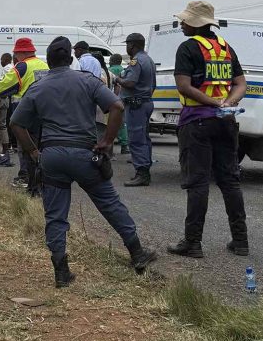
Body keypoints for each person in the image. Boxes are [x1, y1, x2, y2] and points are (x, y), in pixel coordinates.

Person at [10, 36, 157, 288]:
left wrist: (34, 153)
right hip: (84, 154)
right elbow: (118, 107)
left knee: (55, 216)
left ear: (49, 61)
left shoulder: (37, 88)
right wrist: (107, 141)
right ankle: (137, 253)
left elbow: (16, 123)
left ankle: (61, 271)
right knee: (109, 203)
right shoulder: (87, 81)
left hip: (52, 156)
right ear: (70, 59)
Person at [166, 0, 249, 258]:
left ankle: (192, 243)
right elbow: (240, 84)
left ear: (195, 23)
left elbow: (183, 86)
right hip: (226, 121)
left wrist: (212, 102)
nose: (181, 24)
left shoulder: (187, 48)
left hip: (197, 123)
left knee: (198, 183)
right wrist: (227, 103)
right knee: (230, 181)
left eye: (185, 20)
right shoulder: (225, 49)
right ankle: (241, 241)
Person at [0, 38, 49, 189]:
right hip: (45, 112)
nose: (15, 57)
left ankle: (27, 179)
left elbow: (1, 87)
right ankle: (40, 181)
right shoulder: (44, 65)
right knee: (40, 147)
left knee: (26, 147)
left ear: (22, 52)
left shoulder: (22, 66)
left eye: (16, 54)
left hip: (27, 112)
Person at [114, 33, 157, 186]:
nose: (127, 48)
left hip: (136, 105)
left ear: (132, 45)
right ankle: (145, 168)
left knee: (137, 139)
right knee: (144, 138)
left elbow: (130, 83)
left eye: (127, 45)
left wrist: (117, 79)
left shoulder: (136, 61)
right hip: (145, 102)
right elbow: (153, 85)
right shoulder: (149, 60)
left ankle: (142, 173)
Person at [108, 54, 130, 155]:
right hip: (122, 99)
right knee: (122, 123)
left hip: (109, 99)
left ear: (112, 61)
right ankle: (124, 146)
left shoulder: (109, 70)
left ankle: (108, 148)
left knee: (108, 123)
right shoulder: (124, 70)